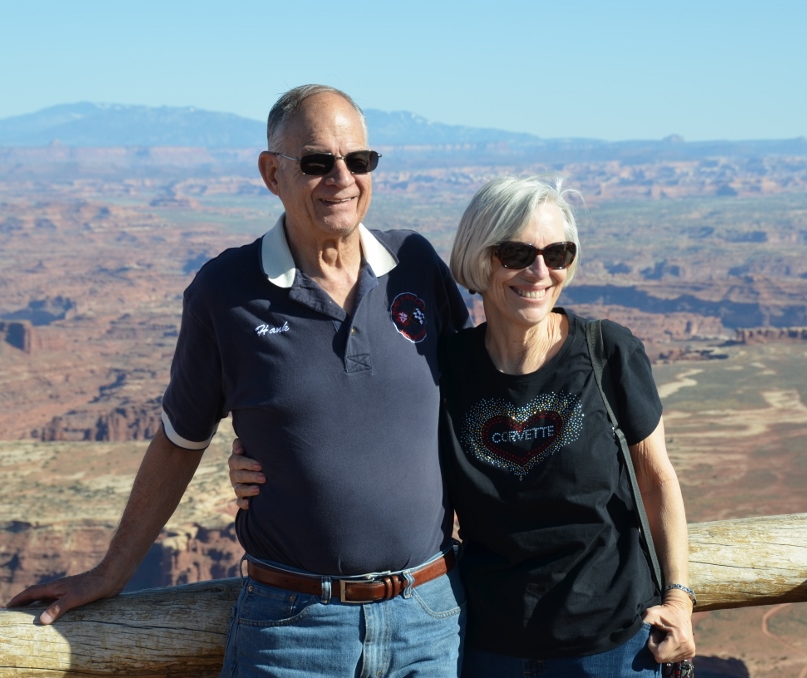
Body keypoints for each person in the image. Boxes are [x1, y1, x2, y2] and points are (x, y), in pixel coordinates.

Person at [8, 84, 470, 678]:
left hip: (429, 619)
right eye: (317, 162)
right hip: (293, 631)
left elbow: (477, 400)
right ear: (272, 172)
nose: (342, 178)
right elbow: (179, 441)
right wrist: (112, 571)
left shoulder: (416, 266)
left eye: (359, 160)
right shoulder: (226, 292)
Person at [233, 175, 695, 676]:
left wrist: (679, 598)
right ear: (480, 258)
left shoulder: (607, 353)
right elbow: (364, 430)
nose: (540, 271)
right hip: (487, 648)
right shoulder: (446, 366)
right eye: (516, 254)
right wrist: (267, 463)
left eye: (558, 254)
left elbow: (657, 479)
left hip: (612, 646)